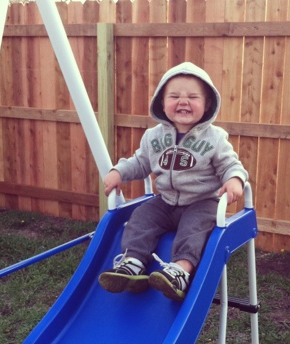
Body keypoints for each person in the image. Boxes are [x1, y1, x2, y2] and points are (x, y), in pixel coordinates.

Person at [98, 62, 248, 301]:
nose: (183, 102)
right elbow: (140, 162)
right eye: (174, 96)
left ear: (207, 103)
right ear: (161, 102)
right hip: (166, 201)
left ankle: (180, 271)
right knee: (141, 217)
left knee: (194, 229)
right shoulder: (153, 136)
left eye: (193, 97)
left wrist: (234, 179)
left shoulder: (215, 138)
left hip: (201, 202)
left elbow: (230, 164)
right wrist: (119, 172)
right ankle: (133, 263)